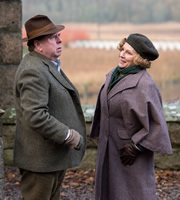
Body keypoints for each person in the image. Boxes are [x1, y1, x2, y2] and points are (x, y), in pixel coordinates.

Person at [90, 33, 172, 200]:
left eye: (128, 53)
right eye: (122, 49)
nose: (121, 54)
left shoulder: (145, 85)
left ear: (140, 59)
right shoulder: (114, 74)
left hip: (130, 156)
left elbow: (158, 125)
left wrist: (138, 147)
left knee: (131, 194)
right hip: (109, 148)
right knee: (108, 193)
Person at [13, 14, 86, 200]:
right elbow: (36, 115)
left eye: (58, 35)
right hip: (40, 162)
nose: (60, 39)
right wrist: (68, 135)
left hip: (51, 159)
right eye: (53, 37)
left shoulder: (46, 65)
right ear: (37, 45)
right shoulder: (33, 70)